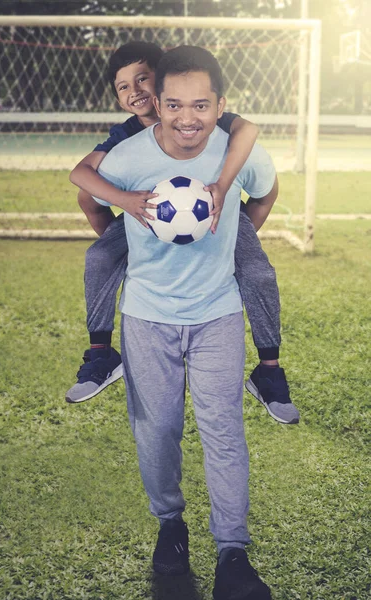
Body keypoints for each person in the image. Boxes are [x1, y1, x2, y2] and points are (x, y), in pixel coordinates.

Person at [91, 44, 277, 600]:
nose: (187, 118)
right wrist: (122, 209)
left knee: (224, 432)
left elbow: (265, 192)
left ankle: (232, 554)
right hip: (147, 318)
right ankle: (171, 526)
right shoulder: (130, 155)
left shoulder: (233, 151)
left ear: (220, 105)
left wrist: (237, 235)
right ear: (159, 102)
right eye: (174, 104)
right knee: (159, 433)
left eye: (201, 105)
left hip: (217, 313)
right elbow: (85, 180)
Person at [66, 41, 300, 425]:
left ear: (164, 85)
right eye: (123, 86)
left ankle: (269, 370)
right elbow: (82, 181)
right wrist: (127, 214)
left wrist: (229, 236)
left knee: (258, 273)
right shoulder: (124, 137)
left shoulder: (207, 119)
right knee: (99, 257)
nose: (136, 91)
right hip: (145, 214)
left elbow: (250, 132)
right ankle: (101, 354)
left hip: (216, 214)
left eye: (143, 79)